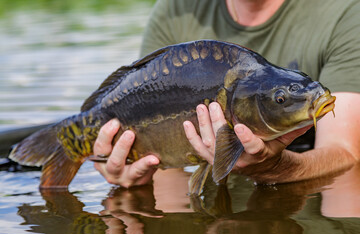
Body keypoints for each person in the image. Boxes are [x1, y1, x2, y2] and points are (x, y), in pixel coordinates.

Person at [93, 0, 360, 188]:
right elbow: (167, 174)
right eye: (281, 100)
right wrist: (140, 174)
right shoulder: (176, 11)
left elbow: (345, 153)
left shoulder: (345, 12)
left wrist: (273, 167)